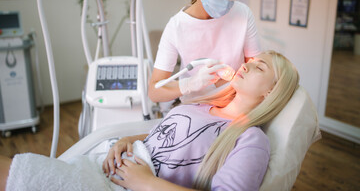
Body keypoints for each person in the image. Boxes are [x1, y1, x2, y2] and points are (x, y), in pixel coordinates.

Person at [0, 50, 300, 191]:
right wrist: (126, 141)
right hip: (105, 163)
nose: (247, 64)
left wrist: (146, 183)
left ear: (271, 91)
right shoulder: (201, 107)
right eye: (250, 61)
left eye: (259, 67)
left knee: (15, 173)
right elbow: (158, 137)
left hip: (125, 185)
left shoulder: (250, 139)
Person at [148, 0, 262, 104]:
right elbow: (154, 91)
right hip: (196, 106)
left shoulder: (242, 14)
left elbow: (255, 66)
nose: (227, 1)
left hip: (234, 102)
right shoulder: (177, 26)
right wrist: (190, 84)